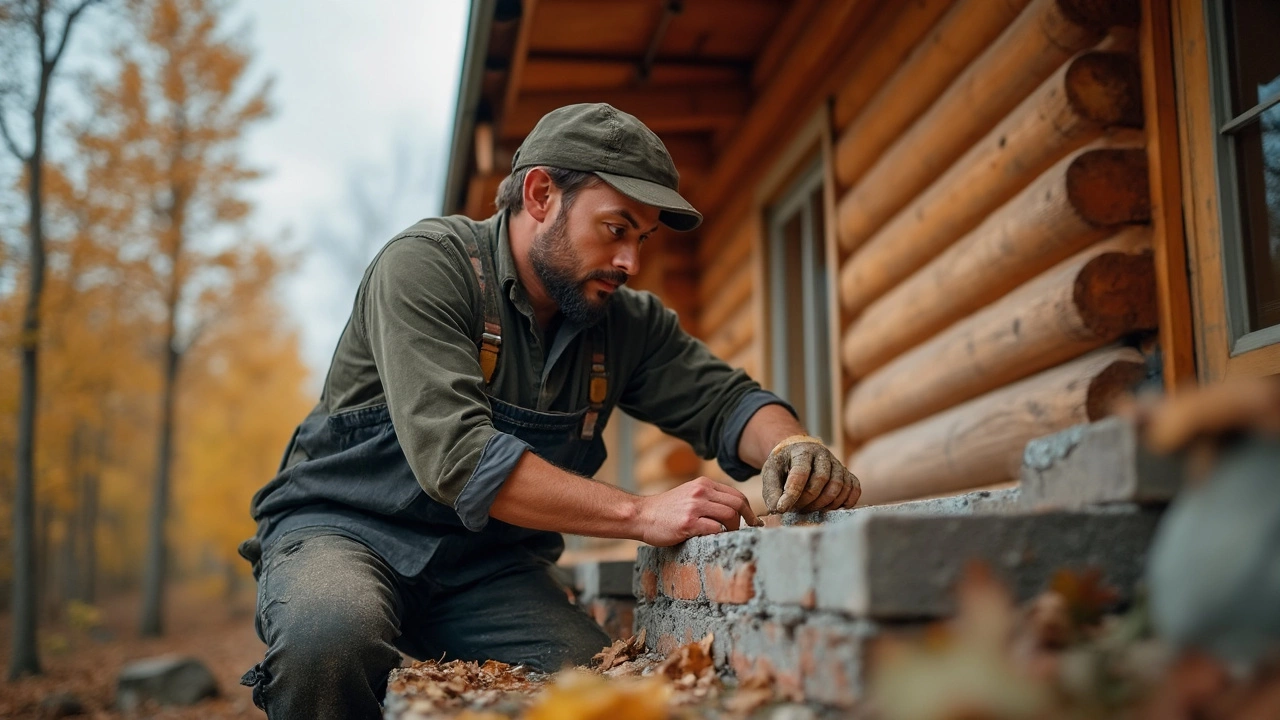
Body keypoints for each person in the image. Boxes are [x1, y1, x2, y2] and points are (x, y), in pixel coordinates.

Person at [236, 103, 861, 719]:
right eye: (616, 229)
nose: (631, 264)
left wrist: (790, 447)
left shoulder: (624, 325)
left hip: (487, 569)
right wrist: (640, 512)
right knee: (328, 641)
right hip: (344, 533)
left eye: (642, 240)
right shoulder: (427, 267)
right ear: (540, 195)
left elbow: (729, 401)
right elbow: (458, 459)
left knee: (593, 686)